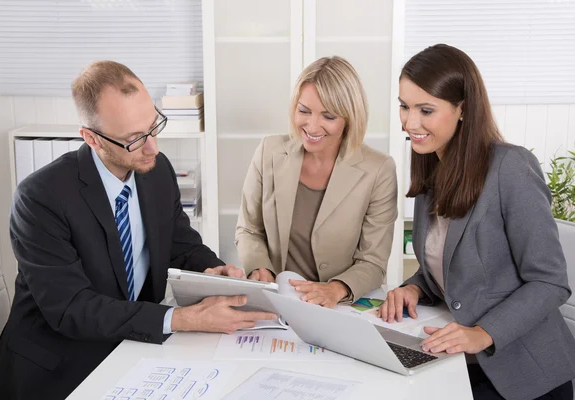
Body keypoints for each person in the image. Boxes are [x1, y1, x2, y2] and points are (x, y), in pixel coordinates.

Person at [0, 61, 276, 400]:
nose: (152, 147)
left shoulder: (156, 170)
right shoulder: (41, 198)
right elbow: (71, 309)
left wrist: (212, 271)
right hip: (56, 367)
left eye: (154, 127)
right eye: (135, 139)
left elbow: (181, 243)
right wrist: (180, 319)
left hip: (130, 349)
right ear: (91, 138)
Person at [379, 44, 575, 400]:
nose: (410, 122)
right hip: (460, 366)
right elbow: (451, 265)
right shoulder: (432, 168)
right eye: (404, 106)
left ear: (462, 110)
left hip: (523, 374)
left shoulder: (511, 168)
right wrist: (415, 287)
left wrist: (483, 332)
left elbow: (550, 283)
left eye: (426, 110)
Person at [236, 56, 398, 308]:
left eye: (328, 116)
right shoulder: (269, 151)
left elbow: (373, 262)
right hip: (277, 300)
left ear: (349, 118)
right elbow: (249, 230)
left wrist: (335, 290)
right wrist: (260, 269)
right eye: (304, 111)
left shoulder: (378, 170)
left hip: (339, 305)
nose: (311, 126)